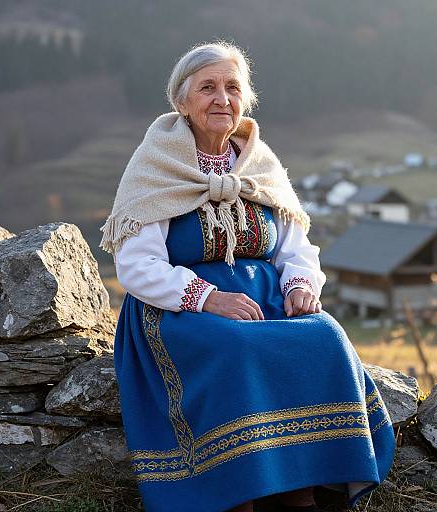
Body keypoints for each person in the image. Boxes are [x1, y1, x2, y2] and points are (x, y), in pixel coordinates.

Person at [100, 41, 395, 512]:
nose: (222, 99)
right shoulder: (156, 165)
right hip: (179, 311)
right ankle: (239, 494)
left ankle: (303, 489)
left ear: (246, 99)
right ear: (181, 101)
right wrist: (206, 297)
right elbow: (136, 267)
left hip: (265, 304)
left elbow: (295, 245)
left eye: (233, 88)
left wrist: (300, 284)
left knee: (325, 335)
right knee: (235, 348)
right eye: (208, 88)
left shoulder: (259, 163)